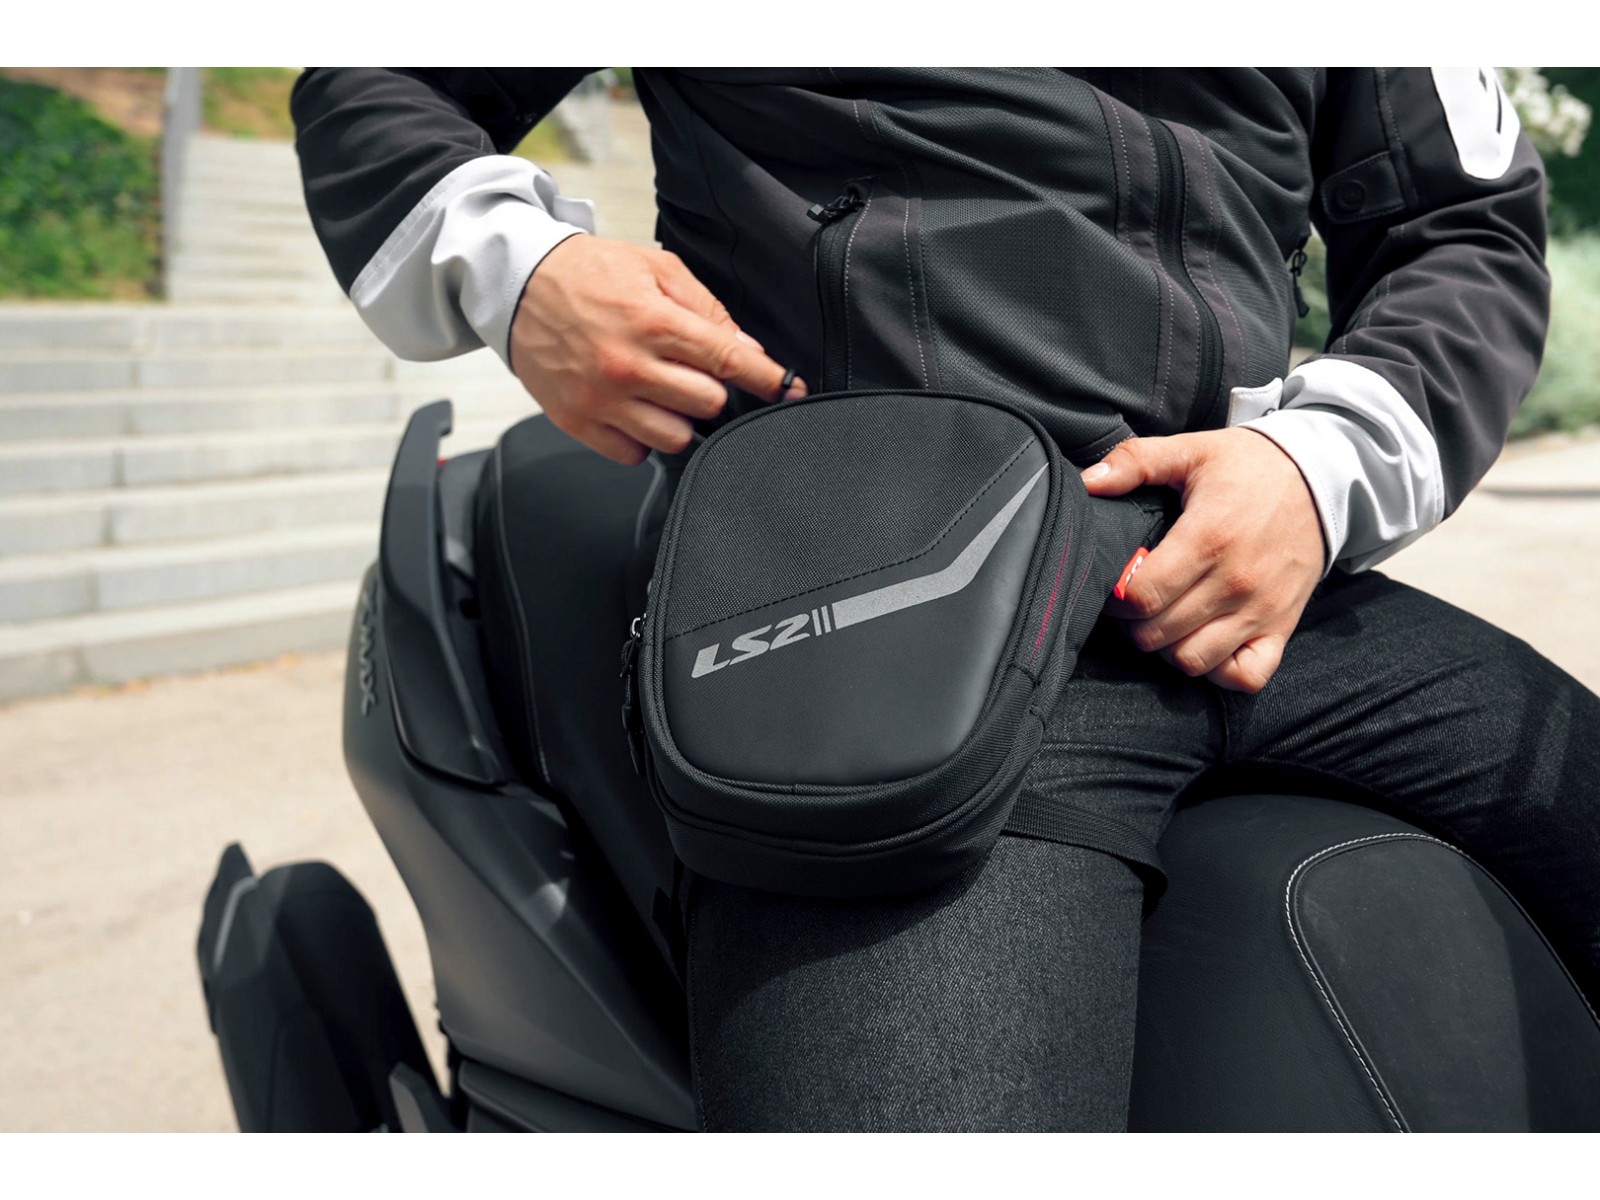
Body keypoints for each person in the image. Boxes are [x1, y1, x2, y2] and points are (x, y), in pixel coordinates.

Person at [290, 68, 1600, 1130]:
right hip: (878, 585)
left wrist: (1314, 469)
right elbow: (378, 80)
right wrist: (525, 270)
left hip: (1247, 572)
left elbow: (1460, 223)